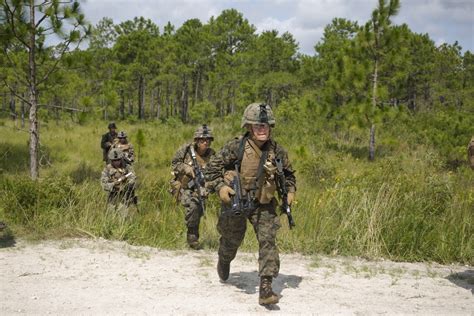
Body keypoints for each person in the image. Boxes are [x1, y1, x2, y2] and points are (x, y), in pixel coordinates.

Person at [206, 103, 296, 305]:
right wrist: (220, 187)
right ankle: (224, 258)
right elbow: (211, 170)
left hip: (263, 203)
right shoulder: (236, 147)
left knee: (268, 240)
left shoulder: (278, 151)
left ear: (270, 127)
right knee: (231, 240)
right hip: (237, 201)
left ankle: (266, 287)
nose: (262, 129)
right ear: (248, 127)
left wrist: (290, 192)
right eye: (257, 126)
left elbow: (288, 176)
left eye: (265, 126)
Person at [171, 125, 215, 249]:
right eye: (202, 140)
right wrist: (186, 168)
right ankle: (192, 238)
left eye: (208, 140)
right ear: (196, 140)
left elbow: (216, 173)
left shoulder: (212, 155)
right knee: (193, 206)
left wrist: (208, 187)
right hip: (185, 187)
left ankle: (193, 234)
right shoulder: (186, 150)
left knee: (199, 210)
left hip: (201, 187)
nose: (205, 143)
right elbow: (174, 163)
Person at [101, 148, 138, 217]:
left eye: (118, 160)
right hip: (113, 196)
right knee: (110, 216)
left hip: (124, 196)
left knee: (123, 217)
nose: (117, 162)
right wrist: (114, 184)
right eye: (114, 160)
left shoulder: (127, 167)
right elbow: (104, 184)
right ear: (111, 160)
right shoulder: (107, 169)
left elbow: (133, 179)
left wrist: (126, 183)